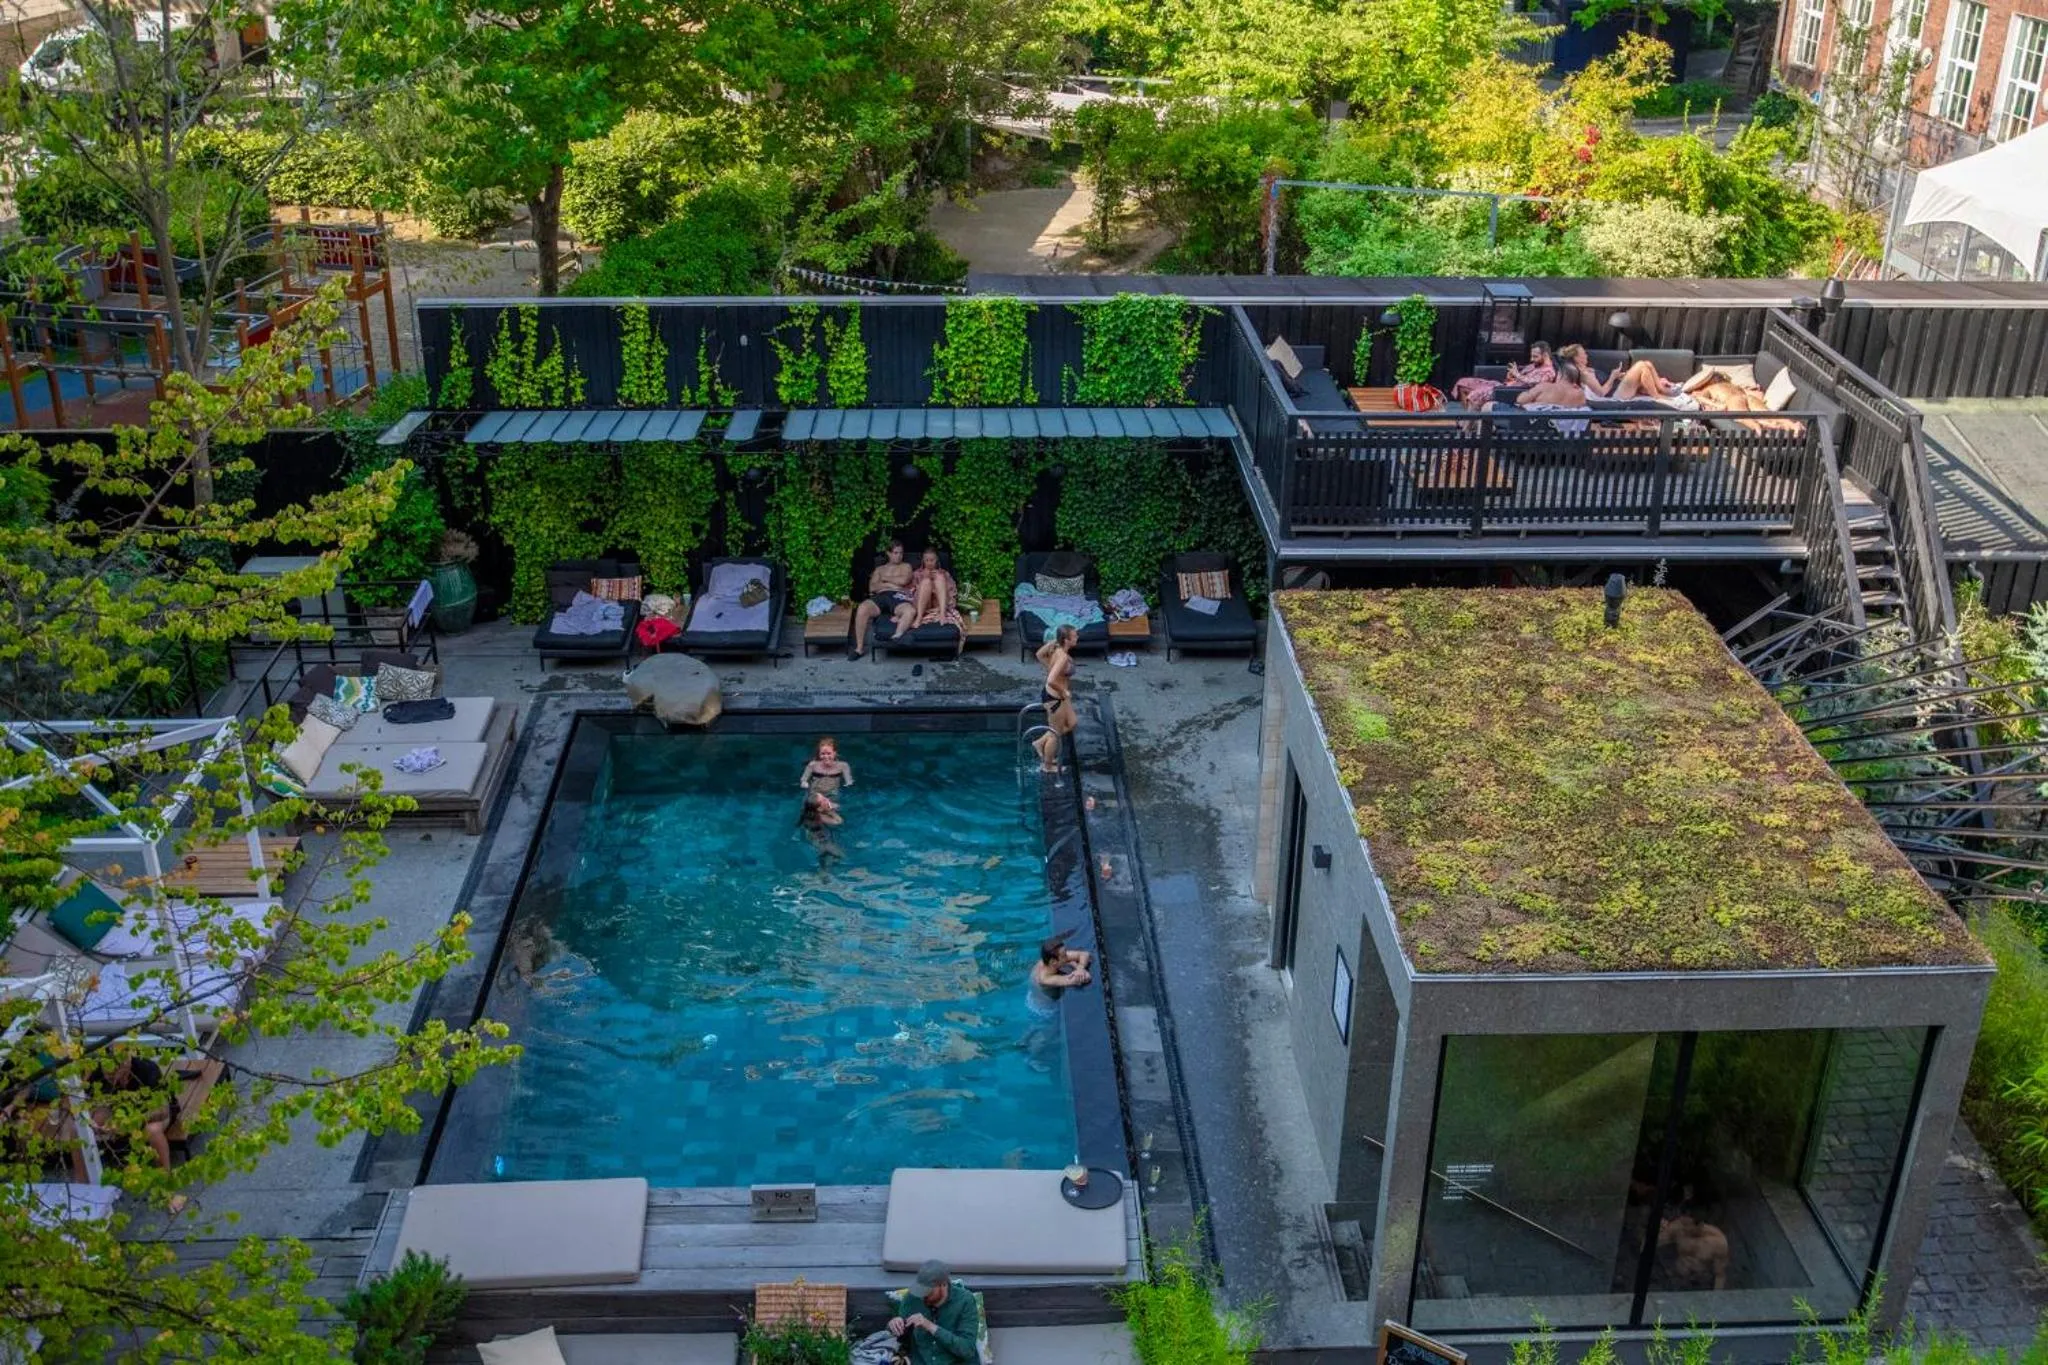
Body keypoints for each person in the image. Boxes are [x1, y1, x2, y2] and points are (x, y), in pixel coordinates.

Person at [887, 1260, 980, 1365]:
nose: (922, 1295)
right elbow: (901, 1339)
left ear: (943, 1284)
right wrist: (894, 1325)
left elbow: (967, 1350)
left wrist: (931, 1327)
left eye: (928, 1290)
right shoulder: (912, 1298)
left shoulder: (965, 1301)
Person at [1561, 345, 1696, 407]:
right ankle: (1657, 396)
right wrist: (1613, 377)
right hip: (1614, 395)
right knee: (1641, 365)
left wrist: (1618, 376)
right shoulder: (1584, 375)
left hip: (1617, 386)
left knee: (1647, 364)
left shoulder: (1587, 369)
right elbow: (1601, 393)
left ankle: (1662, 389)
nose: (1586, 355)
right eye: (1583, 353)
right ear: (1576, 358)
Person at [850, 540, 917, 661]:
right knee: (862, 608)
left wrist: (885, 579)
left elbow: (904, 581)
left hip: (898, 597)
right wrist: (891, 586)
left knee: (910, 611)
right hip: (881, 597)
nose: (899, 556)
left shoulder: (906, 566)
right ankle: (859, 649)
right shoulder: (879, 569)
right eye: (896, 553)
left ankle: (897, 636)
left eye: (901, 553)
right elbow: (872, 587)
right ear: (888, 553)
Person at [1452, 341, 1554, 408]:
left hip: (1506, 392)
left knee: (1475, 394)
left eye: (1535, 357)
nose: (1532, 359)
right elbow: (1517, 374)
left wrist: (1517, 375)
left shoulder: (1548, 372)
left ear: (1545, 355)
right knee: (1463, 383)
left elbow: (1534, 382)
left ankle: (1467, 427)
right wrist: (1511, 375)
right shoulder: (1534, 365)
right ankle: (1467, 420)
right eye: (1532, 356)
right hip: (1502, 385)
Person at [1032, 625, 1078, 773]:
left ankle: (1040, 742)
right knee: (1055, 734)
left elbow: (1039, 654)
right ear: (1066, 640)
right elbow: (1051, 680)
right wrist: (1063, 690)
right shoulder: (1062, 656)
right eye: (1075, 636)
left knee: (1072, 723)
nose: (1077, 638)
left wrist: (1052, 643)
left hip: (1061, 696)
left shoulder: (1057, 649)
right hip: (1054, 698)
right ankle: (1047, 766)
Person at [909, 548, 965, 654]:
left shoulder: (944, 573)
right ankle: (919, 617)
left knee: (939, 577)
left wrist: (936, 586)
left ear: (937, 560)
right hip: (923, 605)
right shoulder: (916, 573)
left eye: (932, 560)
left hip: (938, 605)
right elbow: (910, 593)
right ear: (923, 561)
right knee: (926, 582)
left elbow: (952, 593)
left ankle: (942, 614)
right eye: (927, 560)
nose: (929, 563)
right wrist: (923, 580)